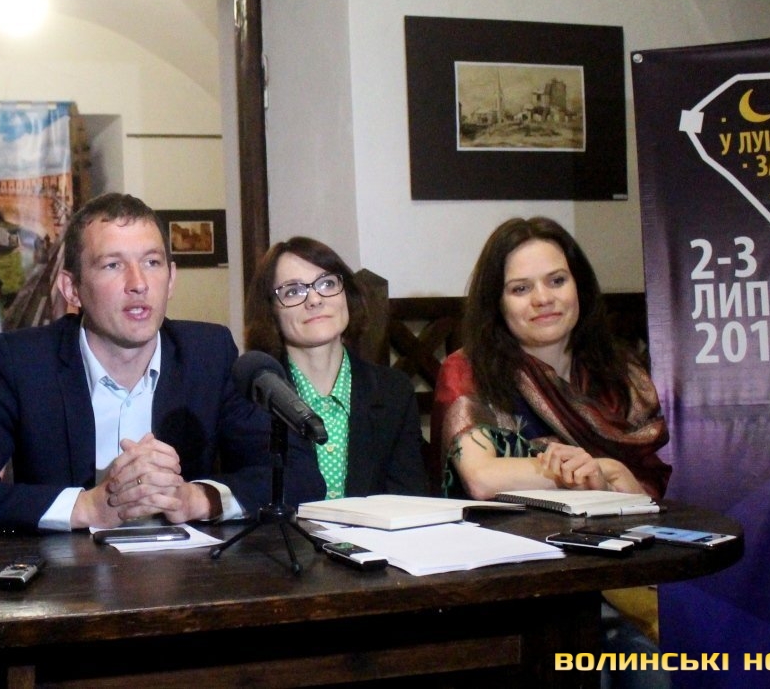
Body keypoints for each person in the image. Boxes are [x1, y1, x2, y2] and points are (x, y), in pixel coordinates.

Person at [0, 193, 325, 534]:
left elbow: (301, 475)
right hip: (67, 593)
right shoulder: (21, 362)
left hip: (186, 588)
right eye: (113, 265)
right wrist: (89, 507)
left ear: (171, 279)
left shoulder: (208, 354)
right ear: (72, 288)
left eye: (152, 263)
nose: (138, 283)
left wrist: (195, 498)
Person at [431, 216, 671, 689]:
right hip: (514, 585)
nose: (543, 299)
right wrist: (590, 472)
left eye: (556, 280)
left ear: (579, 286)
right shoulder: (468, 371)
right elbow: (482, 478)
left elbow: (647, 499)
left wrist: (609, 470)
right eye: (520, 289)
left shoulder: (622, 375)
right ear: (497, 302)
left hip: (619, 574)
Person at [244, 236, 429, 499]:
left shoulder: (393, 391)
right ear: (270, 311)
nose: (315, 299)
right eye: (293, 291)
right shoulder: (252, 396)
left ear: (346, 295)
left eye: (327, 283)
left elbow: (408, 499)